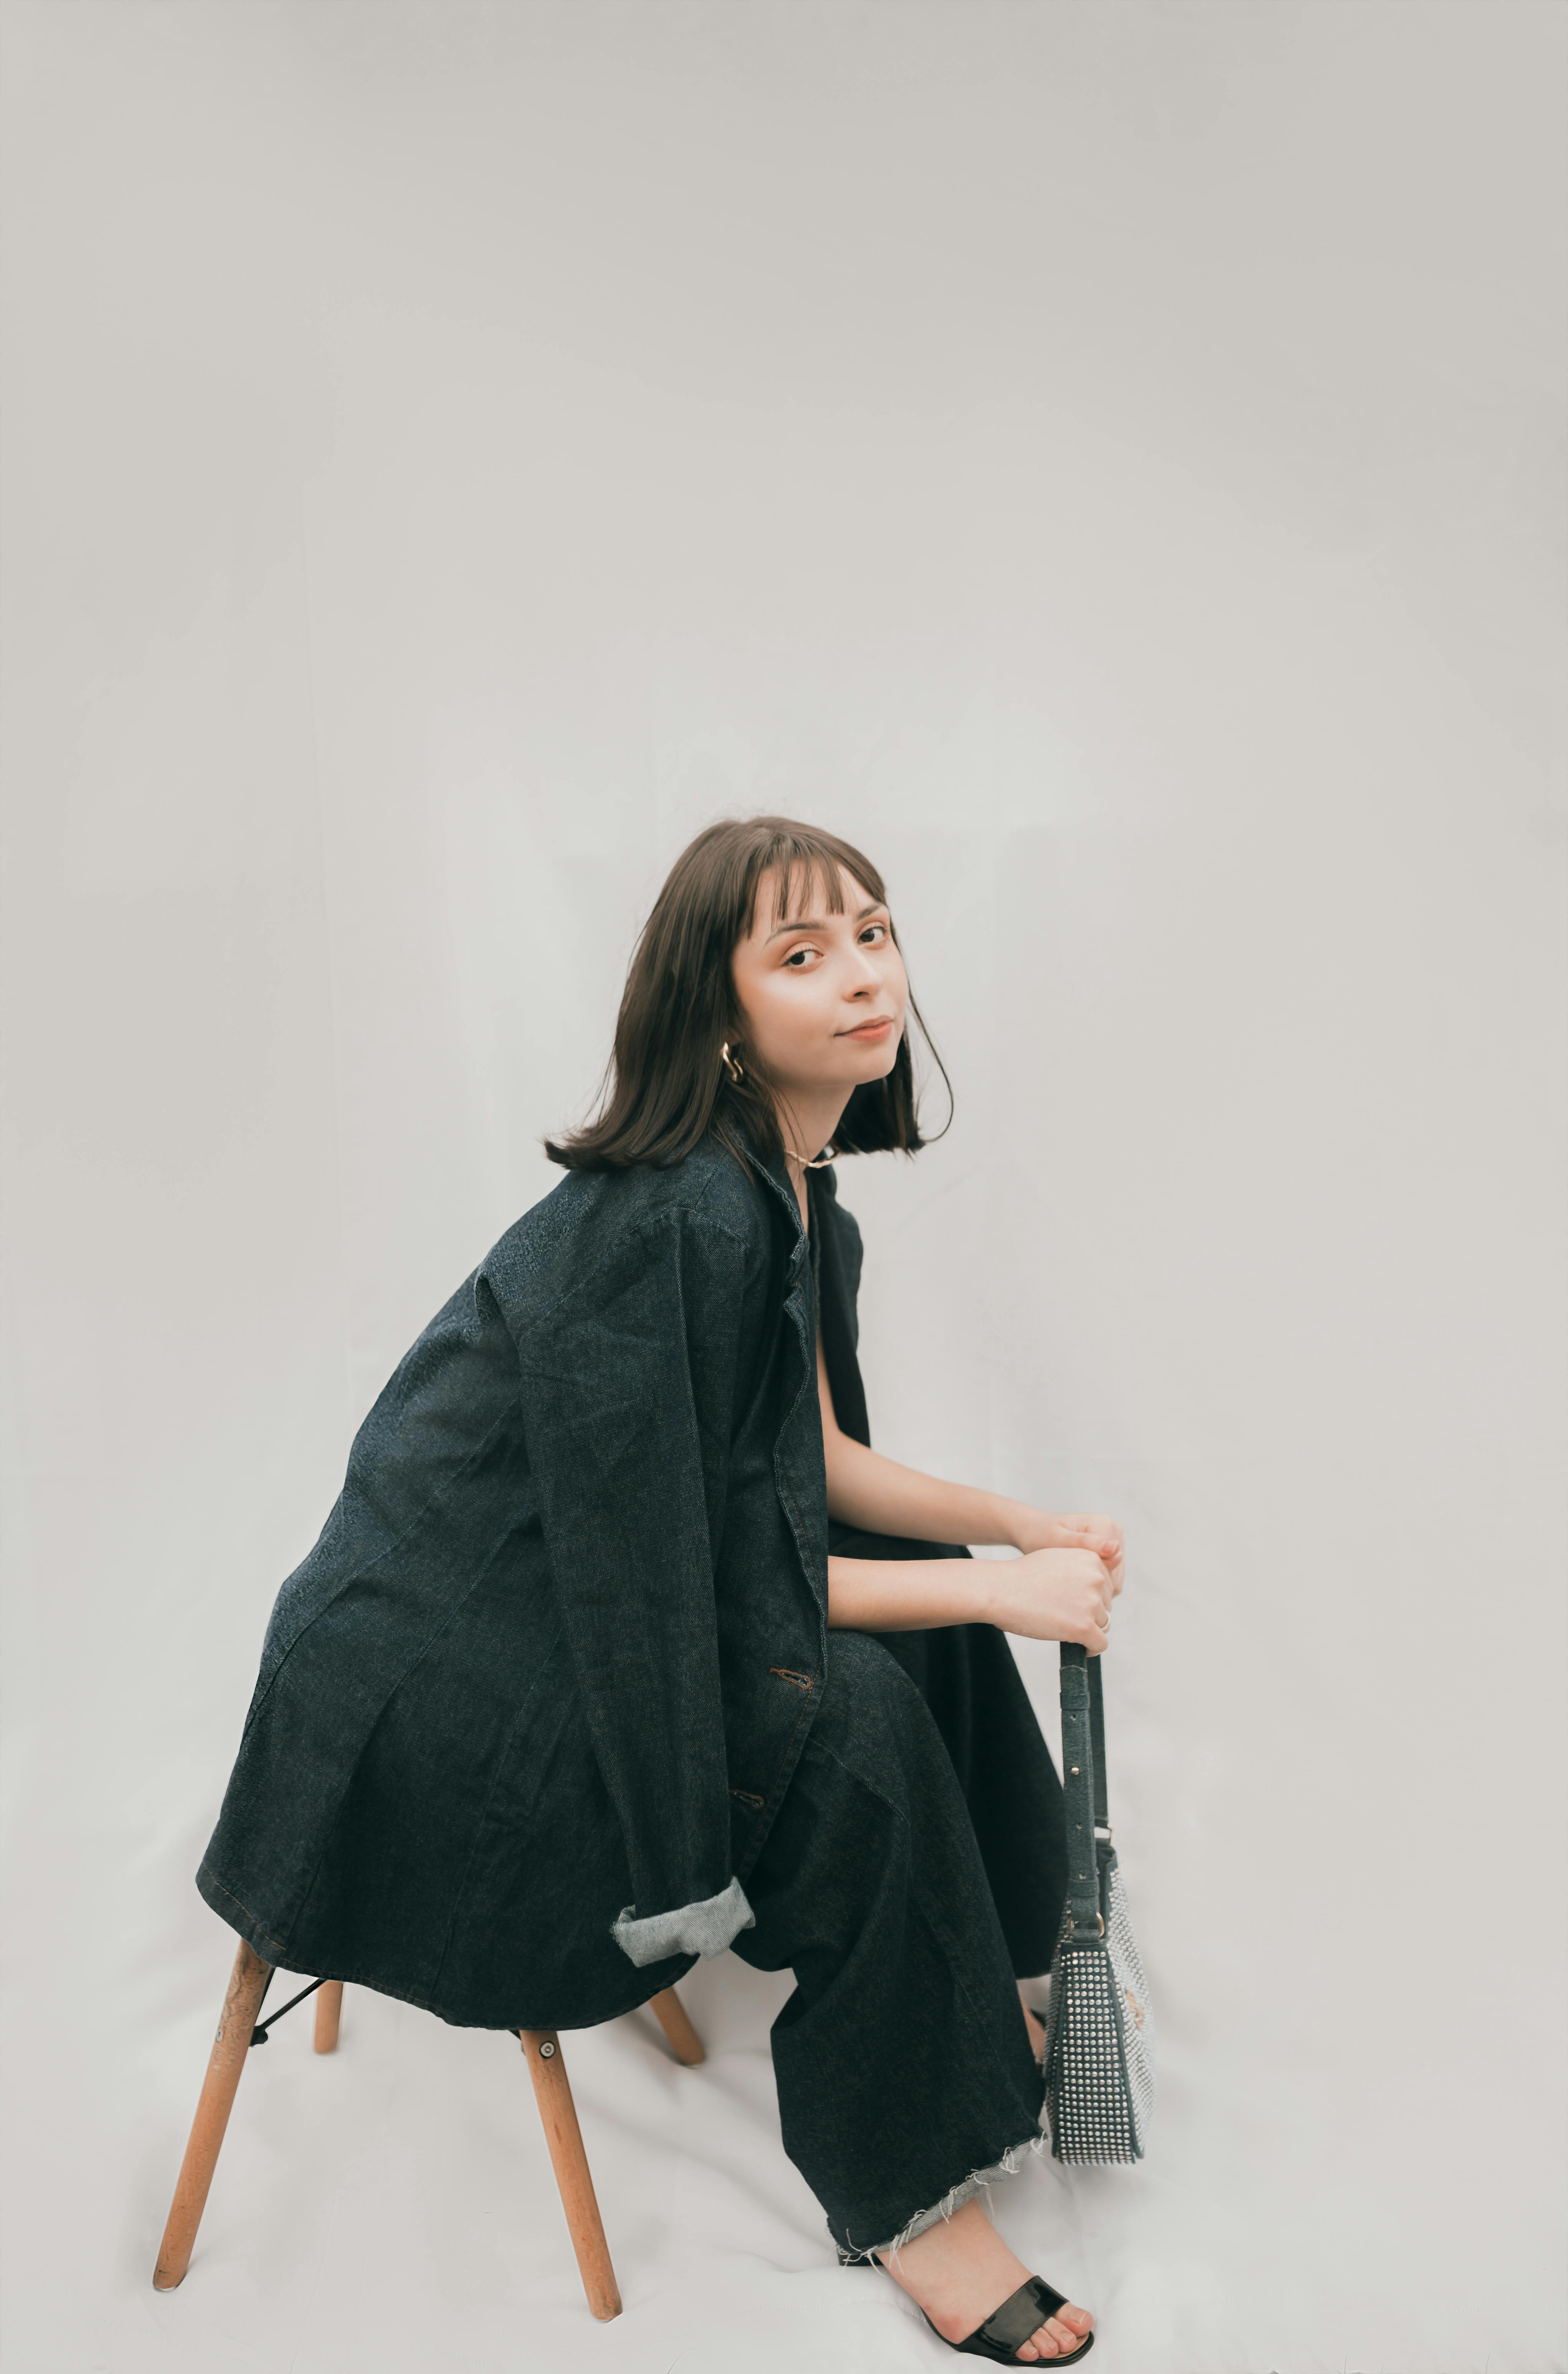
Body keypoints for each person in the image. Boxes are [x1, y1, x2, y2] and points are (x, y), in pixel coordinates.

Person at [197, 816, 1123, 2364]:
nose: (861, 975)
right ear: (717, 1012)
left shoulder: (789, 1190)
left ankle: (1006, 1980)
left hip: (603, 1596)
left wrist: (1014, 1530)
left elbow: (805, 1464)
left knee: (934, 1585)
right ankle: (915, 2201)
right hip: (451, 1678)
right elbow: (697, 1587)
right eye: (801, 952)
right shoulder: (670, 1223)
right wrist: (1001, 1597)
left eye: (874, 934)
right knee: (859, 1734)